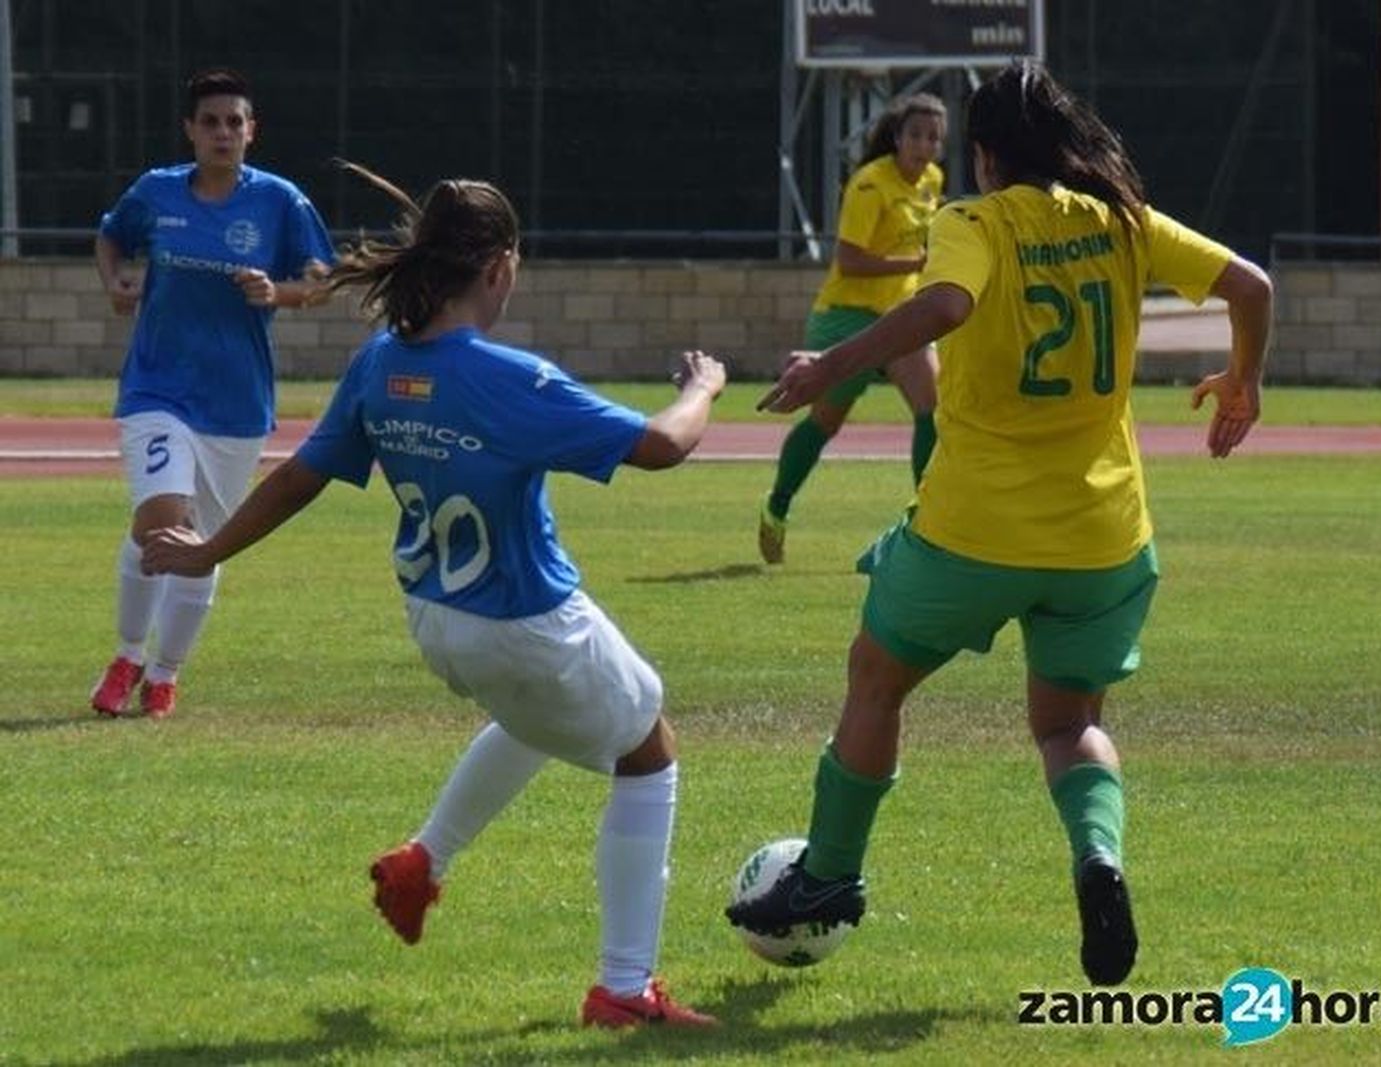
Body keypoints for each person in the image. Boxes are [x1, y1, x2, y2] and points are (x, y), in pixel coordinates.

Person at [727, 60, 1273, 988]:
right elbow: (1251, 286)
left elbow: (944, 306)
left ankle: (826, 879)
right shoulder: (1121, 221)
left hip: (972, 534)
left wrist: (831, 362)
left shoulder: (973, 221)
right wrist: (1244, 381)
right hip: (1102, 538)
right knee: (1068, 724)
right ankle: (1098, 860)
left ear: (983, 156)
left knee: (876, 680)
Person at [142, 166, 725, 1028]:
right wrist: (703, 385)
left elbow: (304, 474)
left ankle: (422, 861)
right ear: (498, 269)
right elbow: (660, 446)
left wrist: (211, 549)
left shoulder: (381, 364)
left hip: (438, 623)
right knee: (651, 755)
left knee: (534, 718)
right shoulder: (507, 378)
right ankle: (624, 988)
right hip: (528, 621)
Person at [89, 68, 335, 719]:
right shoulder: (158, 192)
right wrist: (116, 282)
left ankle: (165, 673)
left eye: (234, 121)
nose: (222, 132)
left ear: (251, 131)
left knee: (203, 544)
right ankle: (126, 653)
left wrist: (277, 291)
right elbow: (112, 236)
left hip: (236, 402)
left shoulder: (281, 201)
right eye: (210, 122)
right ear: (190, 131)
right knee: (160, 519)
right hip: (157, 387)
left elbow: (320, 278)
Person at [758, 92, 947, 564]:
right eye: (916, 135)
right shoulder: (869, 185)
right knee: (827, 419)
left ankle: (929, 524)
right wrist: (920, 262)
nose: (924, 145)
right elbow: (850, 260)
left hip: (901, 313)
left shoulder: (932, 180)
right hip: (848, 313)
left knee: (934, 408)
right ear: (897, 138)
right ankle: (776, 505)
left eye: (934, 137)